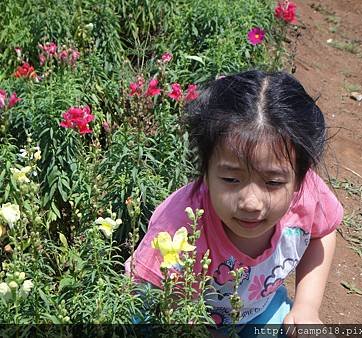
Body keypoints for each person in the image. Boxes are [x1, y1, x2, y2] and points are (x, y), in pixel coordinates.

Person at [125, 70, 343, 329]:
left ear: (299, 179)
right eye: (231, 179)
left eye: (272, 182)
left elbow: (323, 234)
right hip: (177, 316)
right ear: (205, 172)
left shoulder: (308, 195)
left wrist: (306, 307)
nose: (251, 202)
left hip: (256, 310)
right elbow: (147, 296)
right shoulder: (178, 226)